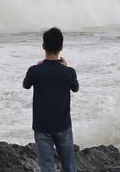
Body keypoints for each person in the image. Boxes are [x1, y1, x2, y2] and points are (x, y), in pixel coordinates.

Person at [23, 27, 79, 172]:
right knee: (69, 167)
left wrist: (37, 67)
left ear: (43, 47)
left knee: (47, 167)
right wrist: (66, 68)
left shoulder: (34, 71)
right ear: (61, 47)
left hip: (42, 127)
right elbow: (75, 88)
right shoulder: (69, 72)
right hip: (63, 125)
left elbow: (26, 85)